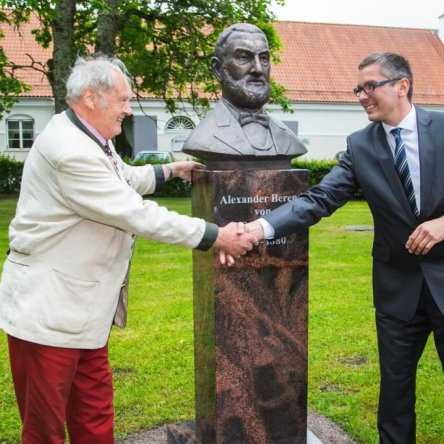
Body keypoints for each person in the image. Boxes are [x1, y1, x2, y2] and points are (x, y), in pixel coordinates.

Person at [0, 55, 257, 444]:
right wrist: (214, 235)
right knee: (44, 429)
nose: (129, 109)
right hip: (48, 314)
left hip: (82, 314)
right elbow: (134, 213)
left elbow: (119, 177)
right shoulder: (69, 150)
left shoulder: (86, 135)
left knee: (95, 414)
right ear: (91, 97)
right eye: (122, 100)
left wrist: (169, 170)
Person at [243, 52, 444, 443]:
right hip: (397, 290)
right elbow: (320, 198)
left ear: (401, 86)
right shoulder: (360, 145)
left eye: (370, 86)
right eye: (358, 89)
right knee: (395, 393)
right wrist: (261, 227)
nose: (362, 96)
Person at [182, 23, 306, 164]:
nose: (258, 69)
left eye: (263, 58)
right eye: (243, 57)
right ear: (218, 69)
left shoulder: (287, 136)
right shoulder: (203, 137)